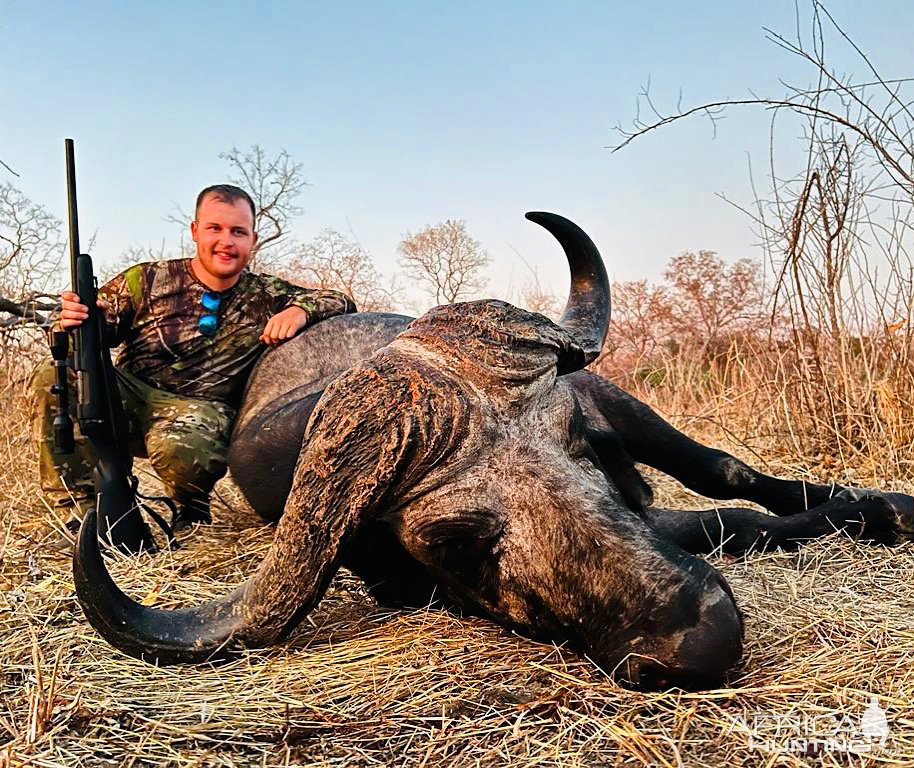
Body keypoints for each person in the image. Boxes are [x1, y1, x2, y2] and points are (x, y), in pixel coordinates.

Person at [31, 184, 356, 529]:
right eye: (215, 228)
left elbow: (340, 300)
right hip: (126, 397)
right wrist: (73, 321)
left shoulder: (268, 295)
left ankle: (191, 509)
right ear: (195, 231)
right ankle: (76, 513)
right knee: (52, 374)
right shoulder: (146, 279)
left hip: (200, 413)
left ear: (253, 240)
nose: (226, 242)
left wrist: (301, 309)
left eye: (238, 232)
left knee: (186, 449)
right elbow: (82, 336)